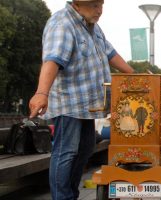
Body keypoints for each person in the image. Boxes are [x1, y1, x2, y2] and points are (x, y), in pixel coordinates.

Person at [28, 0, 134, 199]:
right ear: (77, 5)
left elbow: (110, 53)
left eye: (101, 5)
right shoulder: (62, 24)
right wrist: (42, 93)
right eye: (94, 5)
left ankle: (71, 194)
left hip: (88, 104)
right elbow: (53, 59)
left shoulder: (92, 26)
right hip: (69, 102)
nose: (99, 10)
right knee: (66, 151)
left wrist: (135, 75)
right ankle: (63, 196)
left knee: (85, 148)